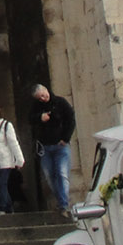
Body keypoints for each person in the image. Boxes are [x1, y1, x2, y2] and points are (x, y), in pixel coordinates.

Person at [30, 83, 77, 218]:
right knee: (50, 177)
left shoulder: (60, 103)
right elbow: (30, 119)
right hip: (45, 147)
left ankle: (63, 204)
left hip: (60, 146)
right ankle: (61, 200)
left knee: (62, 174)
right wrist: (40, 117)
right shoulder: (36, 107)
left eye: (43, 95)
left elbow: (71, 119)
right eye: (40, 98)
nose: (43, 99)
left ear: (46, 90)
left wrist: (65, 138)